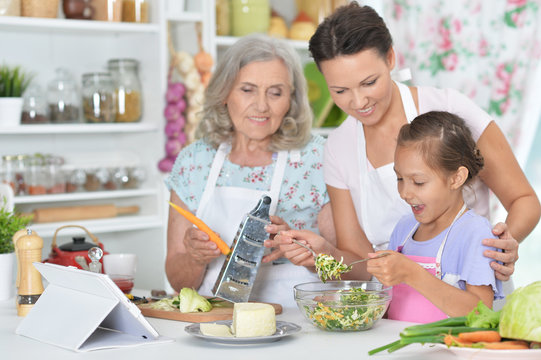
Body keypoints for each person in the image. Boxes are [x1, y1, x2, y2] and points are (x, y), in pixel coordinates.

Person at [274, 3, 539, 288]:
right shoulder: (339, 146)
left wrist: (501, 246)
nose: (359, 101)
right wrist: (322, 253)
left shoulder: (449, 107)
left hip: (472, 296)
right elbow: (363, 262)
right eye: (340, 91)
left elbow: (524, 200)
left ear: (390, 58)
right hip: (397, 309)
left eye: (369, 82)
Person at [164, 34, 333, 307]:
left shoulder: (316, 158)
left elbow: (342, 269)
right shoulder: (194, 161)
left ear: (291, 99)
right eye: (247, 89)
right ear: (224, 93)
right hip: (214, 319)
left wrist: (299, 249)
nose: (262, 105)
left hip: (297, 320)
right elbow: (177, 281)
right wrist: (195, 258)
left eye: (275, 92)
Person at [367, 111, 504, 323]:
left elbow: (481, 314)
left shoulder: (476, 233)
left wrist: (413, 274)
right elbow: (388, 307)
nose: (404, 192)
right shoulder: (403, 229)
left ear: (456, 178)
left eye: (418, 182)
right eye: (399, 178)